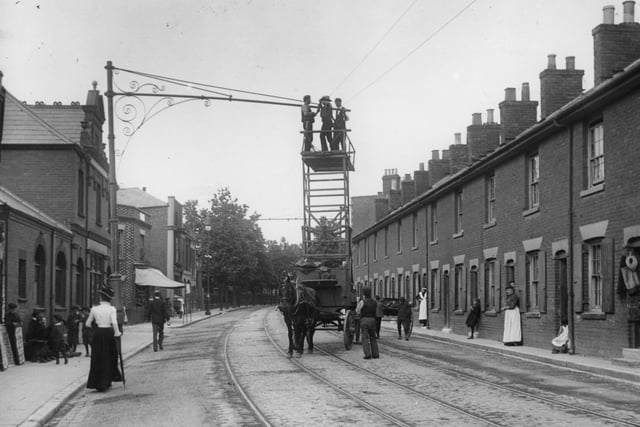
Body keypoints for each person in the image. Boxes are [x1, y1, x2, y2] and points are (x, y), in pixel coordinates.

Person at [86, 284, 122, 392]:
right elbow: (114, 322)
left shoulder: (94, 309)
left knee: (97, 357)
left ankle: (96, 382)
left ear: (101, 297)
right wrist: (117, 333)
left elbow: (88, 323)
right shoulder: (112, 309)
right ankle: (108, 380)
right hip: (109, 333)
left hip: (98, 333)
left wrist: (95, 329)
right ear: (109, 298)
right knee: (110, 356)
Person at [359, 287, 379, 360]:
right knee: (373, 337)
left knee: (365, 338)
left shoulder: (362, 302)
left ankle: (367, 354)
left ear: (364, 294)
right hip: (373, 320)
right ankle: (375, 354)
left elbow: (358, 310)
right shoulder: (374, 302)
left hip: (364, 320)